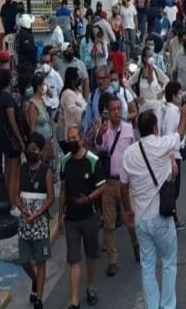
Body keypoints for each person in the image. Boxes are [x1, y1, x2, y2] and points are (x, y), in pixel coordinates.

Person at [120, 108, 186, 309]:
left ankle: (152, 306)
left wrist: (127, 211)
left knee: (147, 267)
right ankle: (167, 306)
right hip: (162, 217)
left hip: (141, 219)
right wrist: (184, 114)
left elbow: (124, 185)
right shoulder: (161, 145)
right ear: (154, 127)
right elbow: (180, 134)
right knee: (168, 263)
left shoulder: (129, 153)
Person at [59, 125, 106, 309]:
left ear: (82, 139)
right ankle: (74, 299)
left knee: (91, 254)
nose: (71, 141)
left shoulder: (93, 161)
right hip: (71, 218)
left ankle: (91, 287)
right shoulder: (64, 162)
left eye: (74, 138)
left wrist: (88, 198)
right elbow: (63, 189)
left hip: (89, 216)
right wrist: (61, 213)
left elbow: (102, 187)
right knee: (73, 258)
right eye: (69, 138)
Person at [93, 96, 138, 277]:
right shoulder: (104, 130)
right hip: (109, 182)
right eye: (113, 109)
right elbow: (98, 146)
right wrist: (100, 133)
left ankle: (136, 244)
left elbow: (133, 152)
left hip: (125, 181)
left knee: (130, 216)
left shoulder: (128, 129)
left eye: (119, 108)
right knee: (109, 223)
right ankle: (112, 260)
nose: (117, 112)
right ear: (107, 111)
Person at [13, 133, 54, 309]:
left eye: (35, 150)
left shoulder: (46, 171)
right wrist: (23, 210)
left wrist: (37, 213)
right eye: (29, 149)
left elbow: (51, 197)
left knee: (40, 260)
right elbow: (15, 194)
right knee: (24, 260)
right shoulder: (21, 169)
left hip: (40, 223)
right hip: (24, 222)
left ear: (40, 151)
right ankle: (36, 280)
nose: (31, 152)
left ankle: (39, 299)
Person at [160, 81, 186, 229]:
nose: (181, 96)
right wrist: (171, 159)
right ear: (173, 95)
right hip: (173, 154)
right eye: (179, 94)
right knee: (173, 189)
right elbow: (170, 135)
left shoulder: (172, 110)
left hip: (175, 152)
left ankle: (173, 215)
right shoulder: (172, 112)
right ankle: (171, 215)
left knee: (174, 188)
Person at [0, 69, 26, 209]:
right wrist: (20, 139)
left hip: (4, 139)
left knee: (8, 170)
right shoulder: (8, 99)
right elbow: (12, 121)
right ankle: (12, 202)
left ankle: (7, 200)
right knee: (14, 172)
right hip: (12, 140)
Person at [27, 74, 55, 173]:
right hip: (40, 144)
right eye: (44, 84)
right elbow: (33, 127)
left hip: (48, 140)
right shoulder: (33, 105)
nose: (45, 86)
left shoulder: (43, 100)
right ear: (39, 87)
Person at [129, 47, 169, 117]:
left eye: (152, 56)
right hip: (144, 108)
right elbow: (127, 84)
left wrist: (162, 92)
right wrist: (135, 98)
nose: (152, 58)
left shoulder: (155, 69)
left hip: (157, 107)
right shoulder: (139, 72)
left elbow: (166, 80)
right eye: (150, 56)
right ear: (144, 58)